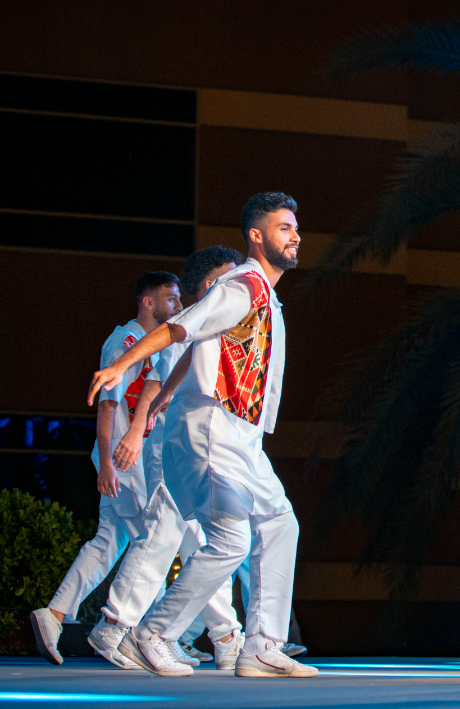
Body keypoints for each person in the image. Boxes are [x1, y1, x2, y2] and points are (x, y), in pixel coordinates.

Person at [87, 192, 313, 678]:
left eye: (295, 228)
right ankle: (153, 632)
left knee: (280, 522)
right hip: (213, 425)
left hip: (243, 435)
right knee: (229, 539)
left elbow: (197, 346)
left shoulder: (265, 295)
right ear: (256, 236)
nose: (295, 236)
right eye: (284, 228)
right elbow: (181, 328)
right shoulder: (243, 286)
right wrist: (122, 365)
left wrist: (164, 393)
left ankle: (261, 646)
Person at [86, 246, 250, 671]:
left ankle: (224, 636)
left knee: (211, 542)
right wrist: (137, 429)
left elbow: (174, 377)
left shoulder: (219, 321)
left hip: (209, 441)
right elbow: (158, 378)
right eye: (230, 276)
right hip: (181, 443)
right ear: (210, 284)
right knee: (166, 529)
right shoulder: (193, 319)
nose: (240, 283)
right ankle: (118, 625)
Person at [29, 272, 182, 666]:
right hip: (124, 459)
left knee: (111, 542)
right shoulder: (124, 342)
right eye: (171, 298)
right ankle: (140, 633)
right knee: (153, 541)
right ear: (147, 302)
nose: (178, 305)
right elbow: (107, 407)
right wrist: (107, 464)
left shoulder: (149, 344)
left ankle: (56, 615)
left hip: (127, 459)